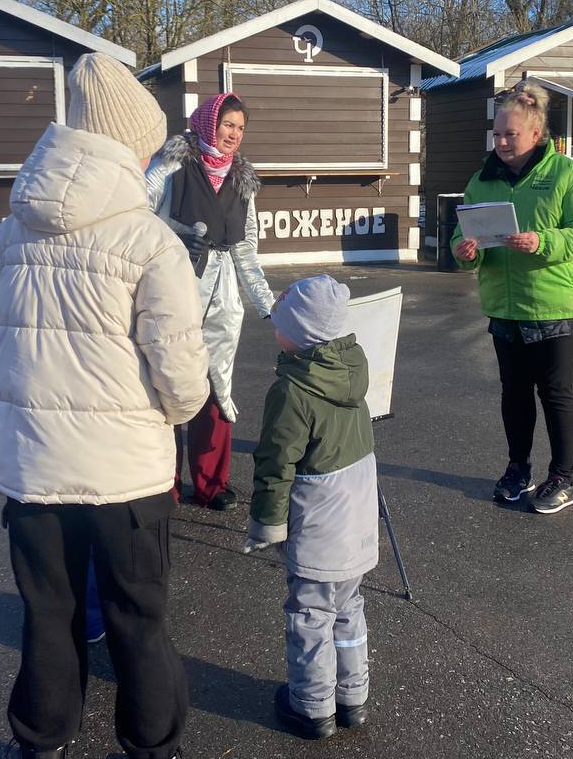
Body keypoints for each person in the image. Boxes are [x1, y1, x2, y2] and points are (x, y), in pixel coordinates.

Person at [0, 52, 209, 759]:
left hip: (34, 471)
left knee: (48, 615)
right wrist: (168, 416)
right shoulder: (150, 240)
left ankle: (41, 742)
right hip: (127, 477)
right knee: (139, 618)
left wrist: (29, 401)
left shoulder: (15, 230)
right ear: (132, 147)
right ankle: (151, 744)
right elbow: (181, 375)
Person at [452, 83, 573, 515]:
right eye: (497, 134)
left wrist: (543, 241)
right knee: (514, 392)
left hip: (559, 304)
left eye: (510, 135)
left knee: (554, 391)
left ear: (536, 134)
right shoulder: (481, 181)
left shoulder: (567, 175)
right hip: (506, 304)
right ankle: (518, 468)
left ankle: (562, 478)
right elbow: (463, 233)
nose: (500, 142)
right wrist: (464, 251)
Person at [243, 275, 378, 740]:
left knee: (309, 613)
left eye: (281, 324)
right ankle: (352, 696)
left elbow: (275, 462)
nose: (275, 330)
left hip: (319, 522)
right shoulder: (351, 371)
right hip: (355, 516)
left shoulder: (292, 390)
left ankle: (312, 705)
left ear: (302, 335)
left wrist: (266, 524)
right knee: (348, 606)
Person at [145, 92, 276, 510]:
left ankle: (211, 484)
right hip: (173, 291)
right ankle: (161, 484)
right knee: (166, 386)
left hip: (223, 299)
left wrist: (269, 306)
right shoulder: (171, 164)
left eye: (240, 128)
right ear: (208, 123)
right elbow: (136, 216)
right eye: (227, 125)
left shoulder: (242, 180)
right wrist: (175, 235)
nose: (234, 134)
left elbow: (247, 250)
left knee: (216, 387)